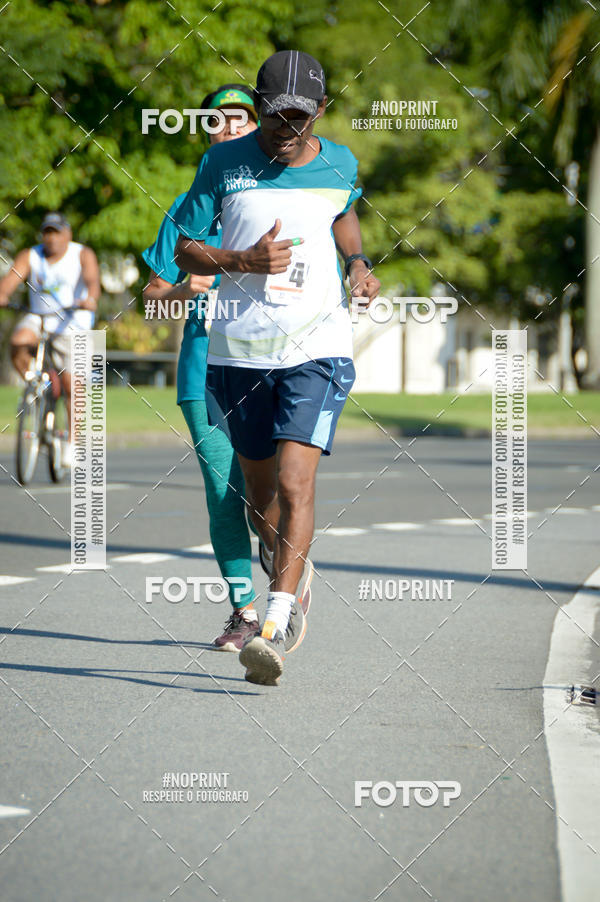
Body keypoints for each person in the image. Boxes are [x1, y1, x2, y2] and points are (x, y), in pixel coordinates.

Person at [173, 50, 380, 686]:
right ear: (259, 108)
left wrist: (358, 264)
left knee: (295, 484)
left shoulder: (340, 161)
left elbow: (344, 212)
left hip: (318, 350)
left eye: (298, 117)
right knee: (259, 500)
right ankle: (284, 559)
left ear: (321, 110)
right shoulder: (221, 162)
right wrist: (241, 260)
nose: (285, 130)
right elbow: (183, 244)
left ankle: (275, 621)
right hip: (239, 353)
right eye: (273, 117)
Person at [142, 84, 312, 652]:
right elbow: (152, 296)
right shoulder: (188, 210)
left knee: (263, 494)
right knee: (223, 490)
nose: (228, 128)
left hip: (272, 360)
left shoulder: (281, 193)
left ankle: (284, 567)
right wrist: (183, 291)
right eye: (216, 120)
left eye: (239, 118)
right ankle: (245, 612)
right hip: (203, 368)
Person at [0, 212, 100, 464]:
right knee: (19, 342)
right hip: (39, 316)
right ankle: (37, 386)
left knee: (72, 384)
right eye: (47, 232)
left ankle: (73, 442)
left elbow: (92, 281)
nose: (52, 238)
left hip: (72, 321)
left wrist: (90, 299)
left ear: (68, 234)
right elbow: (11, 279)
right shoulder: (31, 255)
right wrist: (3, 294)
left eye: (57, 232)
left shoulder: (82, 254)